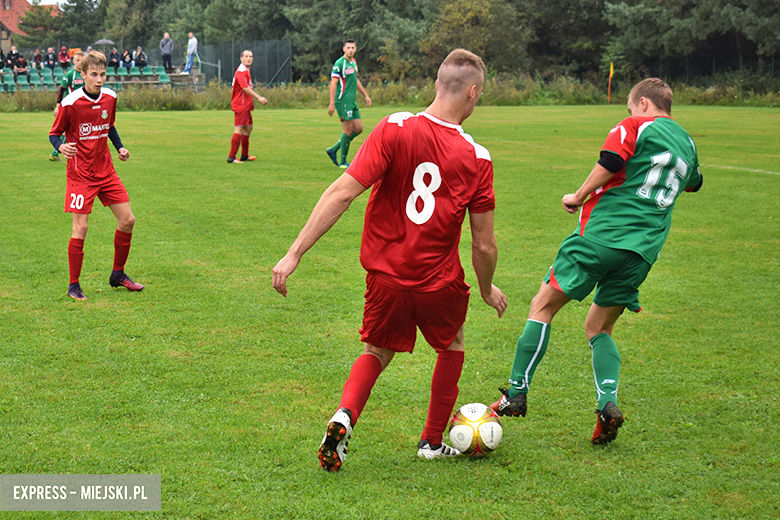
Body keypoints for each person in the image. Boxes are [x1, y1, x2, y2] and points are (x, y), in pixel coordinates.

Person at [273, 48, 506, 472]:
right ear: (474, 93)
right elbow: (484, 245)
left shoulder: (394, 127)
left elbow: (341, 193)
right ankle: (432, 442)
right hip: (438, 282)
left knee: (376, 349)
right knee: (451, 345)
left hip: (386, 277)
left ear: (437, 84)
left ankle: (344, 416)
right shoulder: (478, 157)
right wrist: (487, 289)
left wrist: (294, 254)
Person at [490, 78, 703, 445]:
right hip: (642, 251)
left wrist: (579, 194)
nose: (629, 113)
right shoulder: (687, 141)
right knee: (599, 328)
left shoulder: (635, 125)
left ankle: (515, 392)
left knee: (542, 305)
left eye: (630, 107)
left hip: (602, 236)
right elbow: (694, 182)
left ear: (642, 102)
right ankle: (608, 404)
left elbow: (611, 161)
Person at [49, 51, 144, 301]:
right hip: (80, 175)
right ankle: (73, 285)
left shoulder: (110, 97)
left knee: (128, 220)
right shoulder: (71, 102)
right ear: (83, 75)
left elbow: (109, 126)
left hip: (106, 172)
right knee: (80, 227)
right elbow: (54, 133)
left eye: (102, 74)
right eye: (94, 74)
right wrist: (60, 146)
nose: (99, 79)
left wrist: (120, 147)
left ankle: (118, 274)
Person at [325, 39, 371, 169]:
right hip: (343, 101)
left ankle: (333, 150)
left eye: (353, 48)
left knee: (359, 129)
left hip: (352, 101)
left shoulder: (353, 62)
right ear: (344, 49)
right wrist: (332, 103)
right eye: (348, 48)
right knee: (348, 130)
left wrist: (365, 95)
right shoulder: (339, 64)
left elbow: (355, 81)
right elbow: (333, 84)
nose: (350, 50)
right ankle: (343, 162)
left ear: (355, 49)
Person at [227, 50, 268, 164]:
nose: (249, 58)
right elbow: (245, 88)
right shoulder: (241, 71)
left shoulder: (246, 71)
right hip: (241, 105)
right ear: (241, 58)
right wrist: (259, 97)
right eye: (246, 56)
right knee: (239, 128)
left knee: (248, 127)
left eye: (251, 56)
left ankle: (244, 155)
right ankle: (232, 157)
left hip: (246, 105)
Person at [50, 51, 85, 162]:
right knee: (69, 129)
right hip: (71, 107)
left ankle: (56, 152)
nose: (80, 63)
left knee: (76, 130)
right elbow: (62, 89)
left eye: (82, 60)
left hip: (82, 107)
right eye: (77, 60)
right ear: (73, 61)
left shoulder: (86, 74)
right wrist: (57, 105)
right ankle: (56, 152)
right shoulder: (70, 74)